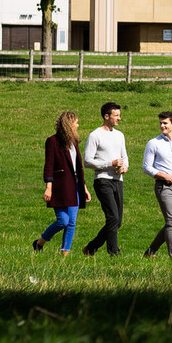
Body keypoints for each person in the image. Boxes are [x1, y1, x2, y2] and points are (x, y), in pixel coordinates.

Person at [32, 109, 90, 254]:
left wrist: (84, 188)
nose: (78, 126)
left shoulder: (74, 142)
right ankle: (40, 242)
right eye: (76, 123)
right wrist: (48, 187)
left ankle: (65, 253)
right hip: (60, 188)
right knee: (63, 221)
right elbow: (49, 165)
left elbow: (78, 167)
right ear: (69, 124)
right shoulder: (52, 141)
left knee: (71, 223)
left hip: (75, 186)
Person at [82, 100, 129, 256]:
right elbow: (87, 161)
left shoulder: (120, 135)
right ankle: (114, 252)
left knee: (118, 221)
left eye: (119, 115)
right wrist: (110, 163)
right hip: (102, 180)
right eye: (116, 115)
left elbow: (124, 156)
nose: (119, 118)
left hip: (118, 180)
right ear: (106, 116)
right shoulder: (95, 135)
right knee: (112, 218)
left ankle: (91, 248)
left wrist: (125, 166)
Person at [142, 111, 172, 259]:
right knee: (171, 222)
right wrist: (163, 175)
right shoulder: (153, 143)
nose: (162, 126)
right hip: (163, 187)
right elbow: (146, 167)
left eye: (165, 123)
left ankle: (150, 252)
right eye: (161, 123)